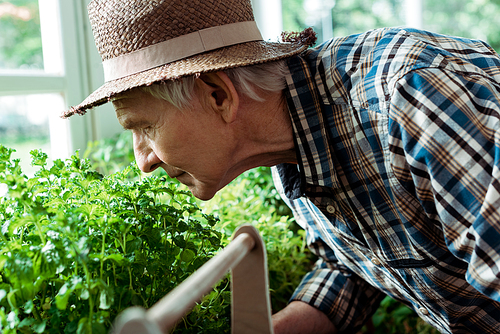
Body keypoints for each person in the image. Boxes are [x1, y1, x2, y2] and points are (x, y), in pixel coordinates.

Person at [63, 0, 500, 333]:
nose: (143, 161)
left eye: (143, 128)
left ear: (218, 94)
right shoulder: (287, 151)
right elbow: (353, 267)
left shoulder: (412, 97)